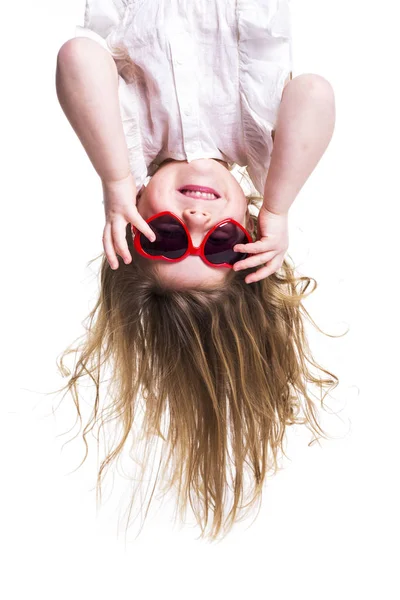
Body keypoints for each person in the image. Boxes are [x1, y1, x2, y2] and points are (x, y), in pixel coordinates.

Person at [54, 0, 339, 541]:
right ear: (249, 238)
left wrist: (116, 182)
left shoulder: (131, 148)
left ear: (133, 230)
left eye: (166, 239)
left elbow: (78, 58)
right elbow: (315, 94)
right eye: (223, 245)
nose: (198, 218)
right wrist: (275, 207)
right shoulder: (255, 147)